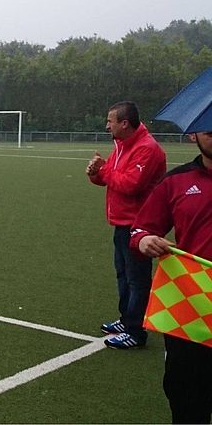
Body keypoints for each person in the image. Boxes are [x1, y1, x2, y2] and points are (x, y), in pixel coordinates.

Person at [131, 130, 212, 423]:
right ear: (194, 136)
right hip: (190, 306)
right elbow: (140, 229)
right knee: (187, 396)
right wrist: (144, 240)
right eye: (209, 131)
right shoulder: (175, 181)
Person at [86, 101, 167, 349]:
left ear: (124, 123)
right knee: (124, 275)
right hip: (122, 223)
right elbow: (110, 178)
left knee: (137, 279)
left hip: (139, 226)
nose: (107, 126)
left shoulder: (147, 149)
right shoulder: (121, 145)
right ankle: (127, 319)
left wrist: (104, 171)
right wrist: (95, 173)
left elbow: (131, 184)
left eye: (110, 121)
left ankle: (136, 331)